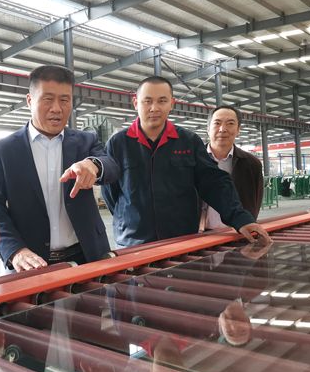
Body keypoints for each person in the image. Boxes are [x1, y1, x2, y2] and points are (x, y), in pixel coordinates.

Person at [101, 76, 271, 247]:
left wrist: (240, 219)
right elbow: (110, 193)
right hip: (133, 242)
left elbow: (213, 183)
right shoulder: (118, 144)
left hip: (182, 239)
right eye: (147, 101)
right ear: (136, 103)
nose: (154, 108)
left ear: (172, 103)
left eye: (162, 101)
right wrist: (129, 219)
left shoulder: (188, 141)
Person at [0, 65, 120, 274]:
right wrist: (15, 250)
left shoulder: (85, 141)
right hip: (30, 261)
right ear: (30, 100)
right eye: (48, 99)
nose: (57, 108)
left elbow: (111, 167)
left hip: (86, 254)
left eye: (64, 100)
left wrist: (93, 165)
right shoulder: (4, 150)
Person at [201, 105, 263, 231]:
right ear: (208, 129)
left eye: (230, 123)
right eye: (217, 123)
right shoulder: (193, 160)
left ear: (238, 129)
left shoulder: (251, 164)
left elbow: (254, 202)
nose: (222, 129)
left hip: (236, 233)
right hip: (197, 234)